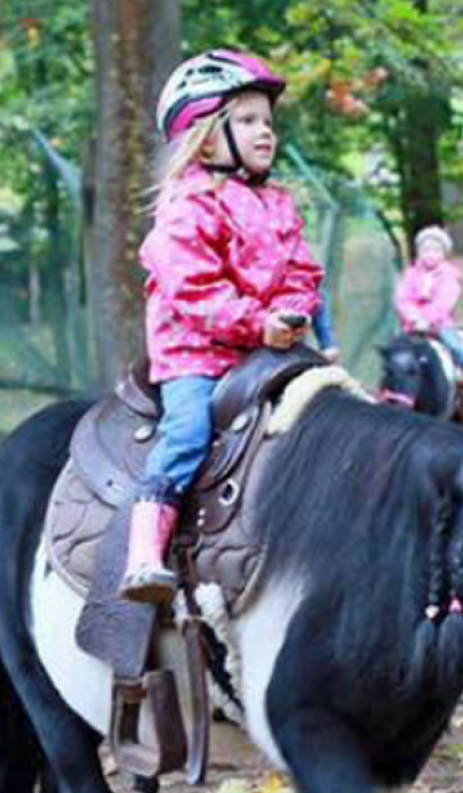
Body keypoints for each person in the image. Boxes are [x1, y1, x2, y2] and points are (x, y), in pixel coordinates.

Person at [121, 49, 324, 603]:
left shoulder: (278, 203)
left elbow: (303, 268)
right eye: (248, 120)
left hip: (266, 352)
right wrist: (259, 324)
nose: (266, 132)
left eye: (268, 122)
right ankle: (144, 554)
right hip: (198, 357)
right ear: (207, 136)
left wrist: (289, 311)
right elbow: (194, 290)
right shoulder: (187, 206)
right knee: (187, 434)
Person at [395, 225, 463, 422]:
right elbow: (403, 298)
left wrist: (428, 320)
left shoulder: (449, 275)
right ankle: (394, 391)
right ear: (419, 252)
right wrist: (413, 318)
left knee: (456, 348)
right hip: (413, 326)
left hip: (440, 325)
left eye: (436, 250)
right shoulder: (411, 274)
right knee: (396, 353)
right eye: (426, 250)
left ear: (444, 253)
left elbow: (445, 301)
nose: (430, 255)